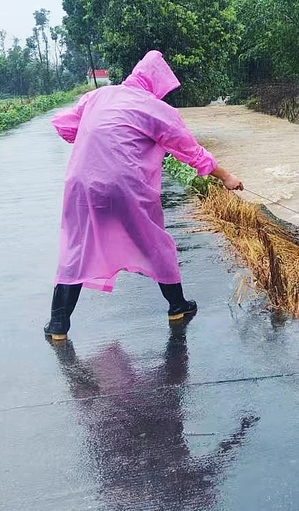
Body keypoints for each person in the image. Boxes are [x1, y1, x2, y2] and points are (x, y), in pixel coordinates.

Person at [43, 50, 242, 340]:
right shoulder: (156, 109)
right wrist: (226, 177)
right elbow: (190, 151)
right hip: (125, 184)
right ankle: (177, 305)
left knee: (76, 247)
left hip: (82, 184)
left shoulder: (98, 96)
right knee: (153, 242)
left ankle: (58, 324)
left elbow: (66, 126)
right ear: (157, 84)